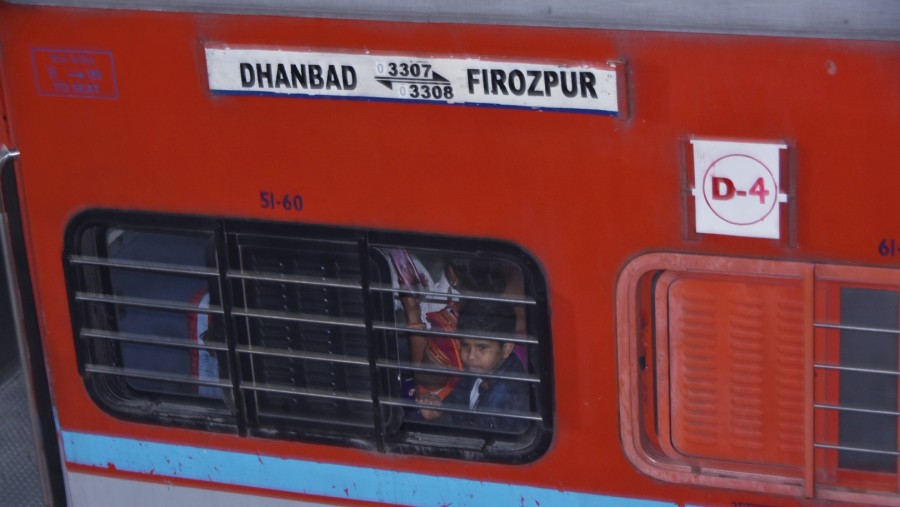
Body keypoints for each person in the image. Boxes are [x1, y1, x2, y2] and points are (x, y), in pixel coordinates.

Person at [417, 301, 530, 433]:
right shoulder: (478, 372)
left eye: (482, 347)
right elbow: (456, 410)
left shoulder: (509, 397)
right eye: (465, 345)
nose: (470, 356)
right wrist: (439, 414)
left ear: (506, 348)